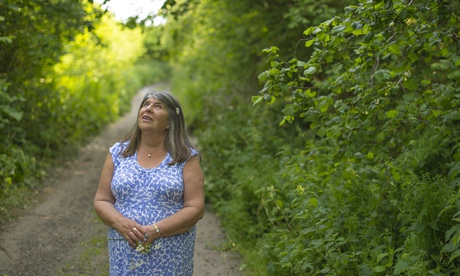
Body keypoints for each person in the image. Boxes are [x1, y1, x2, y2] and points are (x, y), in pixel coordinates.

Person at [94, 91, 205, 275]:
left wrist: (155, 231)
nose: (148, 109)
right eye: (146, 104)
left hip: (170, 254)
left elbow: (195, 208)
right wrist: (121, 222)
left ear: (170, 123)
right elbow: (101, 200)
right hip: (126, 254)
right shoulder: (119, 153)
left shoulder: (185, 158)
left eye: (157, 106)